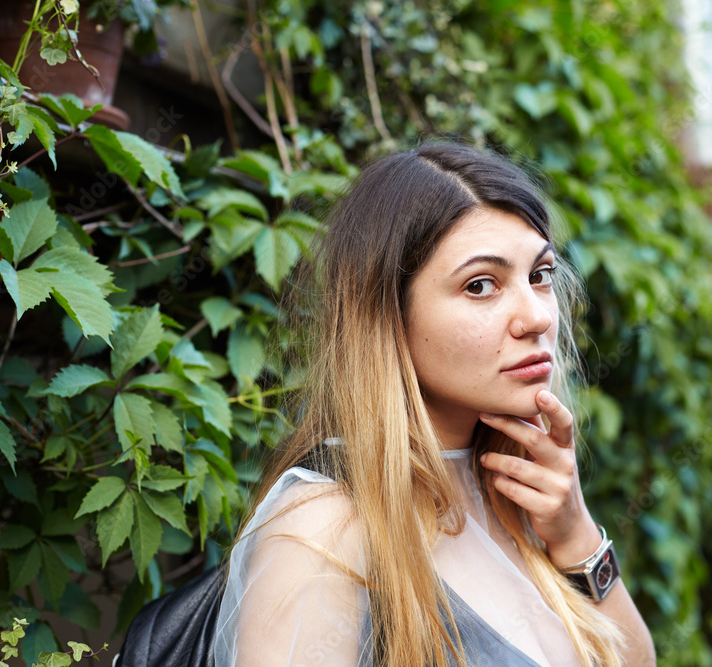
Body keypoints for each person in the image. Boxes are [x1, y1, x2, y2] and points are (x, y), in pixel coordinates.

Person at [213, 142, 656, 666]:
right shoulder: (323, 527)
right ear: (388, 314)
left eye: (539, 275)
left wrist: (576, 534)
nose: (537, 317)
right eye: (481, 285)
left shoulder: (515, 493)